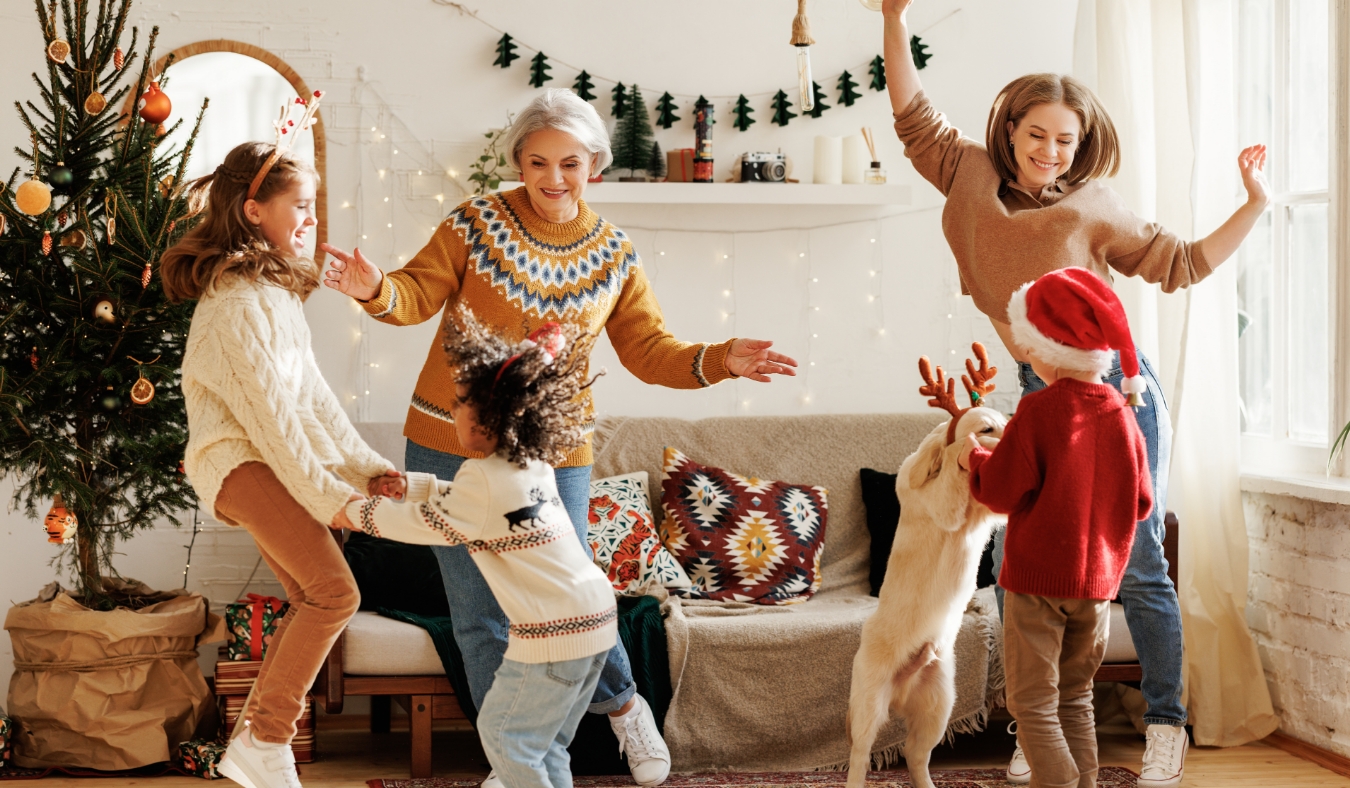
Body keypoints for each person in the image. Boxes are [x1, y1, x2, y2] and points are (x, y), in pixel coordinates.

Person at [319, 88, 798, 787]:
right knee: (479, 615)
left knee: (567, 592)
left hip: (554, 454)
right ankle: (511, 762)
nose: (551, 178)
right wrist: (373, 290)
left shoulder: (611, 252)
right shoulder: (475, 224)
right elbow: (414, 295)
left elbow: (648, 350)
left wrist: (720, 358)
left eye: (569, 163)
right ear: (517, 160)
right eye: (537, 162)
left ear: (594, 166)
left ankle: (625, 705)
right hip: (447, 438)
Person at [881, 1, 1270, 784]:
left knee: (1138, 563)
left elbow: (1184, 264)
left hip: (1120, 395)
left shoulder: (1094, 206)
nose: (1051, 153)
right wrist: (893, 17)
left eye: (1067, 141)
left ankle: (1165, 721)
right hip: (1039, 390)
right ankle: (1046, 726)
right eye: (1037, 135)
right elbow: (912, 113)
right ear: (1009, 129)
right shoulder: (966, 171)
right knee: (1046, 570)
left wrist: (1255, 205)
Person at [165, 140, 401, 788]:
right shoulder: (237, 306)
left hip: (260, 459)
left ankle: (253, 746)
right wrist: (337, 500)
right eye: (298, 206)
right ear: (251, 211)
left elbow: (314, 405)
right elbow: (276, 428)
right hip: (238, 462)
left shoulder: (272, 295)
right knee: (335, 593)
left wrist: (370, 470)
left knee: (310, 595)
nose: (310, 220)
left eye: (313, 207)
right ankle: (267, 740)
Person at [347, 309, 616, 788]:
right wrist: (414, 485)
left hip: (554, 633)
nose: (452, 411)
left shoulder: (484, 480)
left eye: (459, 403)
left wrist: (351, 513)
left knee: (505, 737)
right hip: (595, 622)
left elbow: (424, 526)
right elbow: (477, 505)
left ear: (485, 420)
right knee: (544, 743)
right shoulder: (530, 465)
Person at [959, 267, 1154, 788]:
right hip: (1096, 589)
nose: (1026, 357)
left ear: (1049, 348)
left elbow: (998, 491)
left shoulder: (1038, 410)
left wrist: (974, 460)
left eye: (1029, 346)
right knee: (1076, 699)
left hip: (1037, 583)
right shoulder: (1121, 413)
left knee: (1032, 703)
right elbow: (1141, 502)